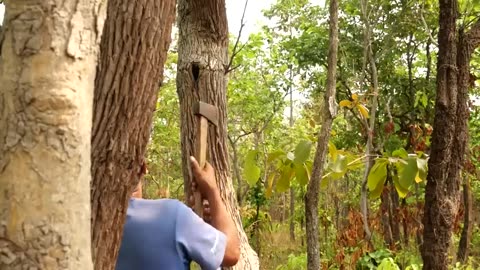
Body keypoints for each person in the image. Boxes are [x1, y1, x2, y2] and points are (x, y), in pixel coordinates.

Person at [116, 156, 240, 270]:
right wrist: (212, 190)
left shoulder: (98, 224)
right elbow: (231, 253)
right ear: (142, 167)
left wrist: (200, 225)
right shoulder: (172, 215)